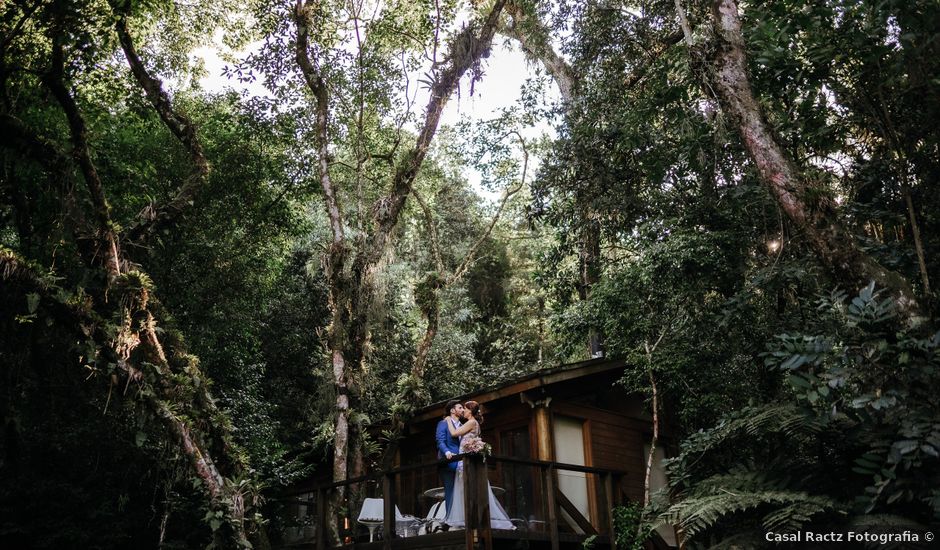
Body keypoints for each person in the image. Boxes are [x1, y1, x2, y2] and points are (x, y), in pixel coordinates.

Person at [444, 400, 515, 530]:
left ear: (470, 411)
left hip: (465, 461)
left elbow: (454, 433)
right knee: (464, 488)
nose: (463, 411)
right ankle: (468, 518)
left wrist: (448, 420)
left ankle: (474, 520)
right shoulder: (472, 423)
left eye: (465, 409)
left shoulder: (471, 422)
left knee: (467, 487)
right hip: (463, 460)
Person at [436, 399, 463, 517]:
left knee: (461, 490)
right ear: (452, 410)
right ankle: (450, 519)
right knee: (450, 490)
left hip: (462, 462)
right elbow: (440, 440)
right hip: (448, 462)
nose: (462, 410)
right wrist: (447, 451)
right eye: (460, 408)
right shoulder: (443, 423)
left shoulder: (463, 425)